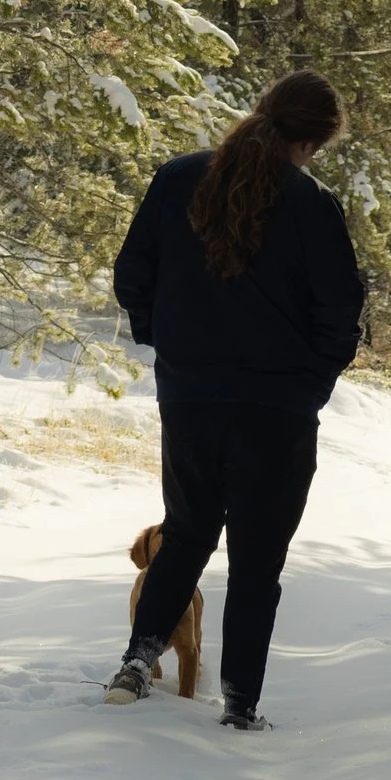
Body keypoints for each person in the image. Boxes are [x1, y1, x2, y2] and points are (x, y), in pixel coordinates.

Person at [103, 67, 364, 731]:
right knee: (257, 560)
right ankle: (240, 704)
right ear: (312, 142)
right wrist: (311, 384)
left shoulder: (177, 179)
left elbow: (132, 276)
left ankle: (137, 662)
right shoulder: (312, 206)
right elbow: (340, 314)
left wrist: (169, 346)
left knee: (187, 532)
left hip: (190, 398)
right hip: (276, 410)